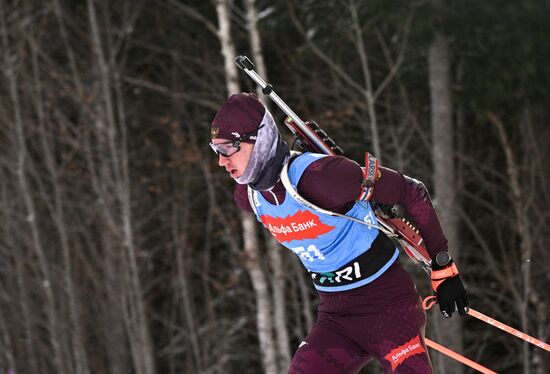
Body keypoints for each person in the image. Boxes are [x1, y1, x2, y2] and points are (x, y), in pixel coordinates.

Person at [209, 93, 469, 374]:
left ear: (258, 139)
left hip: (388, 308)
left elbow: (412, 191)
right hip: (336, 317)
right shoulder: (248, 197)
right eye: (215, 150)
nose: (222, 162)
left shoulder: (321, 177)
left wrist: (443, 266)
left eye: (227, 149)